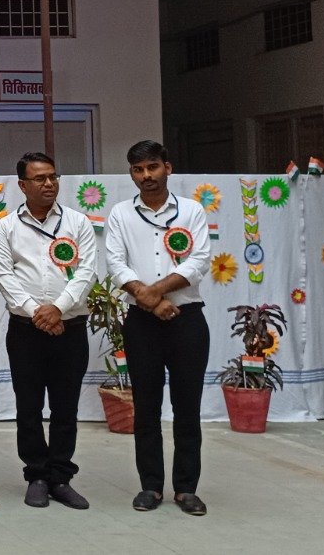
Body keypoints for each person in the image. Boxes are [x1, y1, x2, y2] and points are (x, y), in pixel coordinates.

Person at [105, 139, 212, 517]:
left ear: (168, 167)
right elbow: (115, 263)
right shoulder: (121, 213)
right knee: (146, 408)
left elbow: (199, 260)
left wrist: (155, 293)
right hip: (142, 324)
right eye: (138, 170)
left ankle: (186, 488)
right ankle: (150, 486)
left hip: (187, 320)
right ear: (131, 174)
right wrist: (150, 302)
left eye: (152, 167)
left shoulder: (191, 210)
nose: (146, 175)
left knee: (187, 408)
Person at [0, 152, 98, 510]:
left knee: (66, 407)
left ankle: (61, 478)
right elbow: (4, 275)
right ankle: (36, 476)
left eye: (53, 176)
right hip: (26, 330)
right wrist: (37, 312)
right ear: (23, 185)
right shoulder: (7, 227)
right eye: (40, 178)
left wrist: (58, 309)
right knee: (29, 406)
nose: (49, 183)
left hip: (70, 328)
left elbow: (86, 272)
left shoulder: (78, 222)